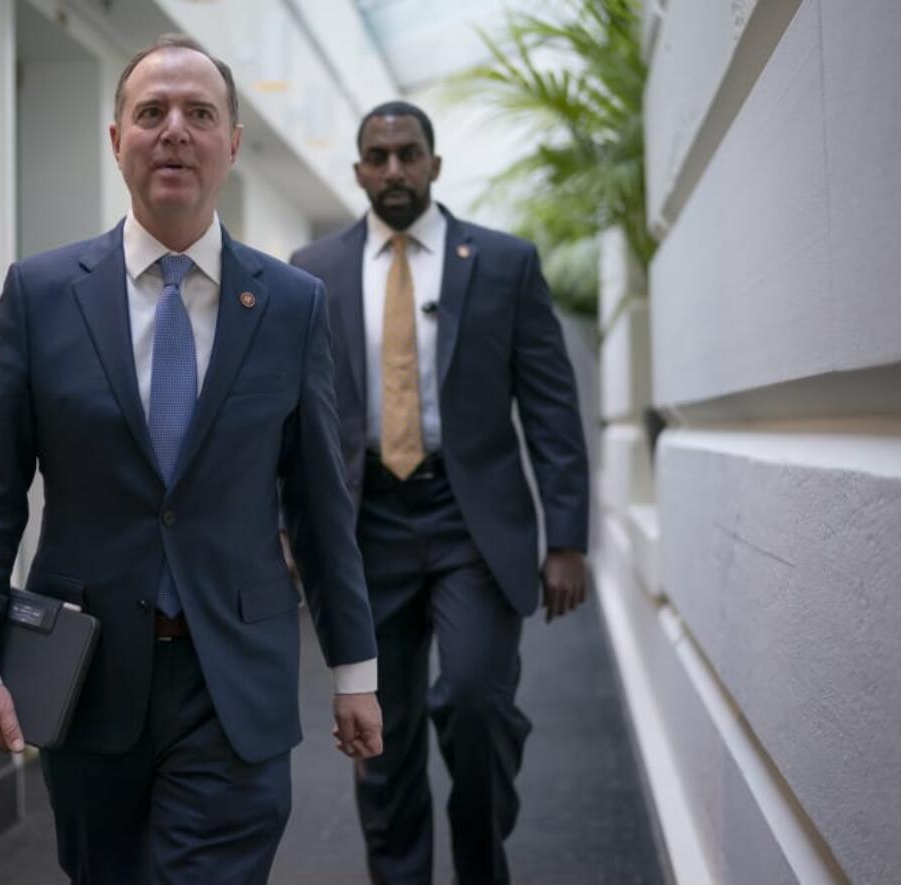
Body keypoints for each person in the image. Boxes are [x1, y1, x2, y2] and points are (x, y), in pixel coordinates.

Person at [0, 35, 382, 884]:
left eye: (200, 113)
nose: (175, 130)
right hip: (88, 677)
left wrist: (355, 670)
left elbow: (321, 506)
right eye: (152, 112)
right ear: (116, 139)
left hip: (234, 679)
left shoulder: (290, 305)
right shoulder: (42, 293)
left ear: (233, 143)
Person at [290, 100, 590, 884]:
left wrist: (567, 537)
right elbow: (286, 415)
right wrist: (282, 529)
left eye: (409, 154)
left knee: (474, 703)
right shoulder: (310, 272)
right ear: (358, 170)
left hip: (471, 522)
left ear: (434, 164)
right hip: (365, 526)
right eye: (378, 157)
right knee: (378, 738)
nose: (394, 170)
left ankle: (481, 863)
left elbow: (551, 405)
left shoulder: (502, 261)